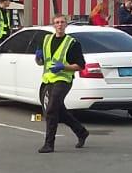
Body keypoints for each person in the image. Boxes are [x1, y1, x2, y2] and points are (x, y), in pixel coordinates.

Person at [34, 14, 90, 154]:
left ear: (66, 25)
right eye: (57, 22)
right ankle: (81, 132)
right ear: (53, 25)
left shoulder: (72, 43)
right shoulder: (46, 39)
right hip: (48, 80)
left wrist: (63, 67)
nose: (59, 25)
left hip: (64, 80)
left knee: (51, 109)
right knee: (60, 111)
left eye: (62, 22)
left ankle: (49, 144)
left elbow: (80, 66)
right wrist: (38, 58)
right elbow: (41, 62)